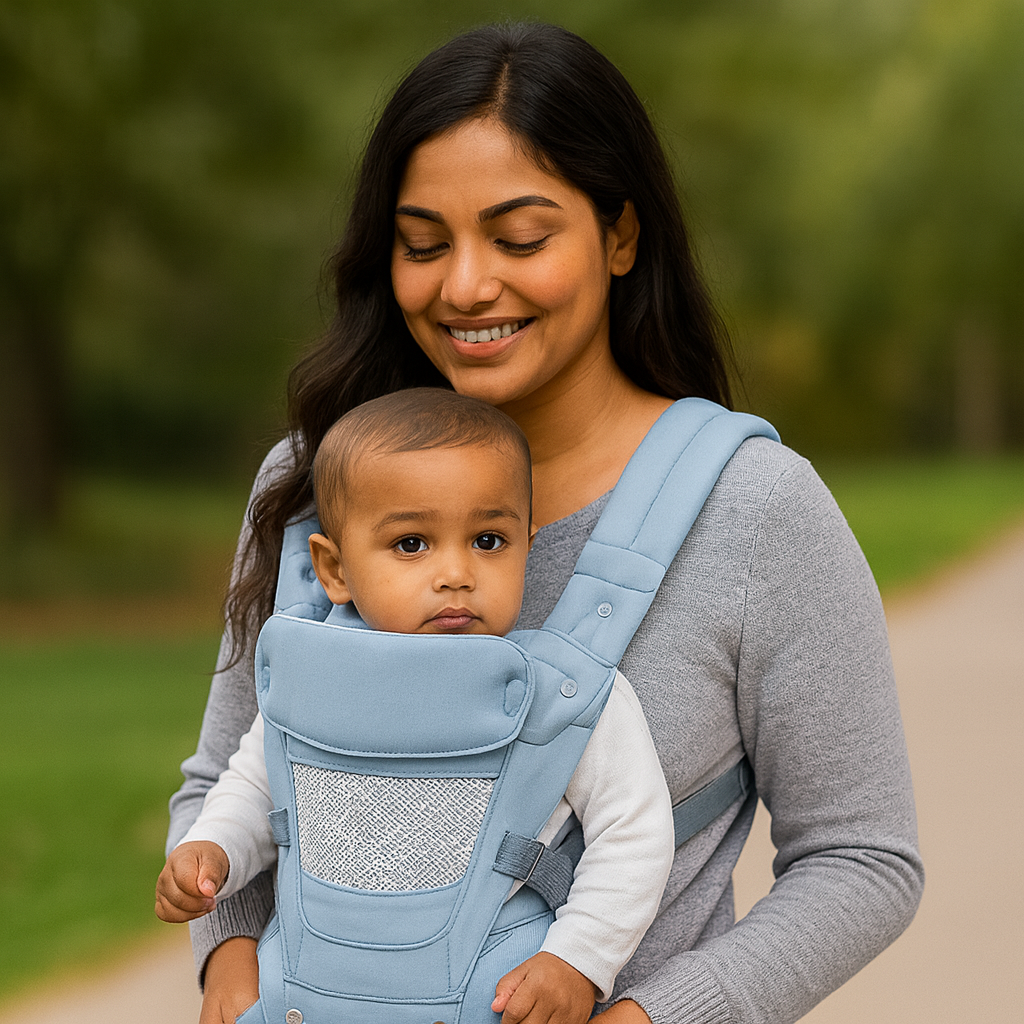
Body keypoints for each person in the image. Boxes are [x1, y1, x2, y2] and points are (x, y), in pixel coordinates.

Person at [166, 21, 923, 1024]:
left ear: (619, 234)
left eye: (519, 239)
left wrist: (651, 1016)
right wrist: (230, 970)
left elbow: (862, 859)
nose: (467, 286)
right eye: (422, 245)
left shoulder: (753, 512)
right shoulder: (315, 485)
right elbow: (234, 775)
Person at [156, 388, 675, 1021]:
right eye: (411, 545)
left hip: (485, 997)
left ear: (528, 549)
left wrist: (579, 960)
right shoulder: (313, 671)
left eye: (488, 541)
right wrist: (213, 850)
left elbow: (635, 833)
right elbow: (254, 784)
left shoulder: (564, 691)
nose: (455, 572)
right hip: (311, 997)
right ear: (334, 568)